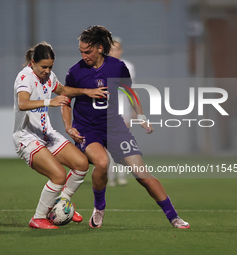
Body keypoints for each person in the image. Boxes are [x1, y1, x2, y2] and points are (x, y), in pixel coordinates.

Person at [62, 25, 190, 229]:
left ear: (100, 48)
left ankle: (174, 217)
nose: (84, 55)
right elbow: (65, 100)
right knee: (102, 163)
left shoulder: (117, 67)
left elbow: (129, 92)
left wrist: (141, 115)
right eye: (81, 51)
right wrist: (69, 127)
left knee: (142, 174)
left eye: (88, 51)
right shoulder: (75, 71)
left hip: (114, 126)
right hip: (87, 128)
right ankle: (99, 208)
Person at [12, 42, 108, 229]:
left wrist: (87, 92)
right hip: (27, 137)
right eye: (44, 67)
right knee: (58, 175)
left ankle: (60, 205)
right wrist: (50, 101)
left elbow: (63, 91)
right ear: (33, 62)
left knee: (81, 164)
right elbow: (22, 103)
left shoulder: (49, 77)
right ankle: (38, 218)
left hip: (46, 134)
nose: (47, 71)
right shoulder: (25, 77)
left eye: (50, 67)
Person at [107, 36, 137, 186]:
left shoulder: (128, 66)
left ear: (121, 50)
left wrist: (133, 111)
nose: (114, 52)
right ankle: (110, 176)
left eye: (116, 49)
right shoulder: (101, 66)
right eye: (111, 49)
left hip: (123, 108)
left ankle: (122, 175)